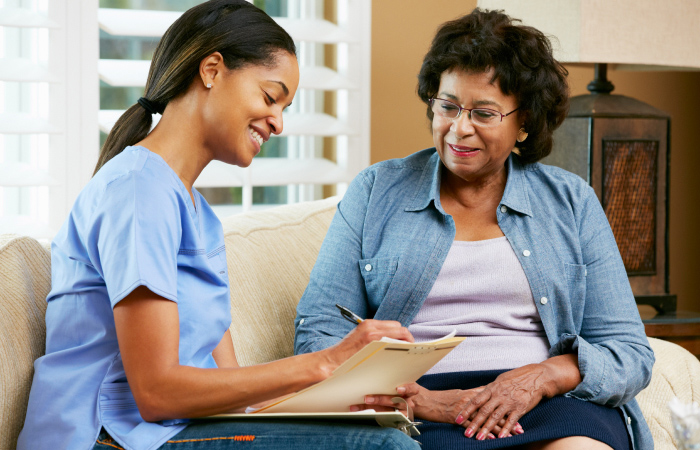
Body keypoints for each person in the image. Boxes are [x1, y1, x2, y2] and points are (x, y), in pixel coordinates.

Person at [16, 2, 420, 449]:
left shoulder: (198, 214)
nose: (279, 124)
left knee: (377, 430)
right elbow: (156, 393)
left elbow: (232, 391)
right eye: (270, 97)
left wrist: (345, 393)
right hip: (110, 438)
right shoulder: (138, 192)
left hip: (175, 430)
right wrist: (326, 361)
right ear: (212, 70)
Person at [294, 8, 654, 450]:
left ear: (524, 123)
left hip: (545, 401)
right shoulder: (376, 190)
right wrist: (409, 399)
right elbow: (319, 334)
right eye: (447, 106)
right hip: (415, 406)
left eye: (484, 113)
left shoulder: (571, 200)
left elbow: (630, 354)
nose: (458, 129)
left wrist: (546, 375)